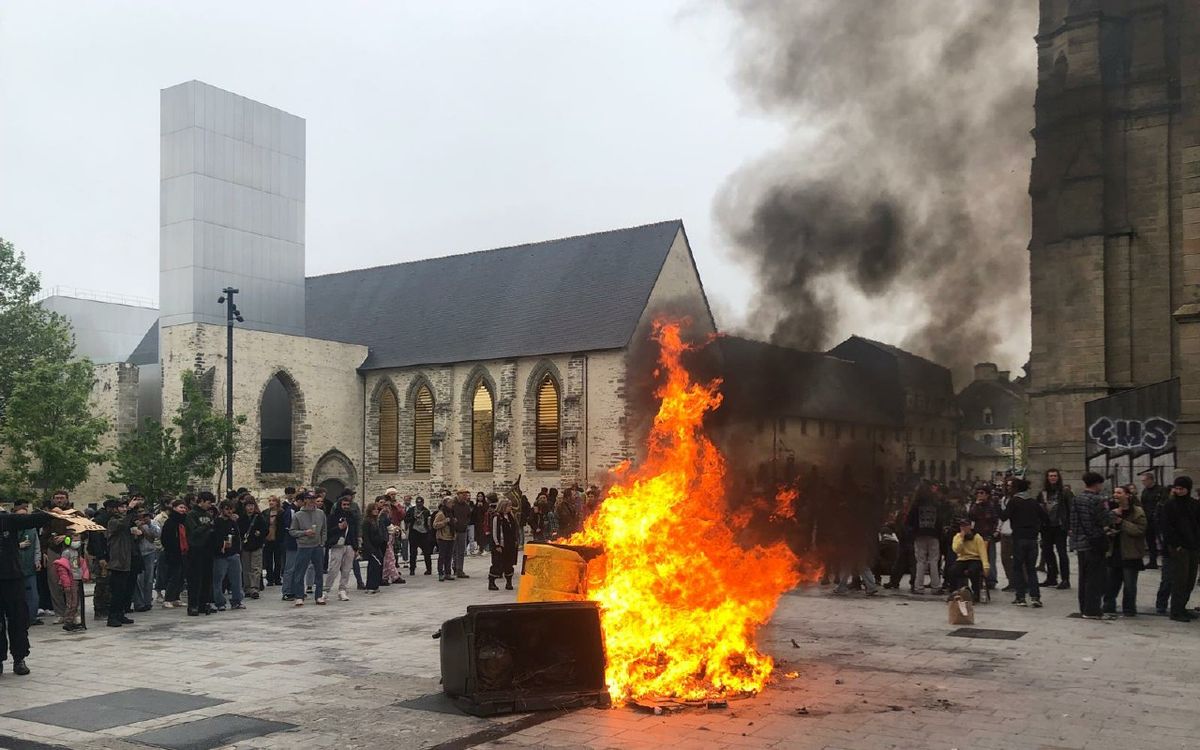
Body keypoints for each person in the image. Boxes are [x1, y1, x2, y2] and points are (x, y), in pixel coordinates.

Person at [0, 503, 57, 675]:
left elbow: (33, 519)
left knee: (18, 619)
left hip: (12, 578)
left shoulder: (6, 520)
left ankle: (19, 658)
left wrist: (52, 513)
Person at [1068, 472, 1114, 620]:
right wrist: (1114, 513)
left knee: (1084, 577)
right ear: (1097, 484)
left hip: (1080, 542)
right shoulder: (1098, 500)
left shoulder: (1077, 499)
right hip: (1094, 542)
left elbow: (1073, 520)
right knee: (1095, 578)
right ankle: (1093, 610)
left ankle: (1084, 607)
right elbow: (1104, 519)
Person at [1000, 477, 1047, 608]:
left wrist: (998, 508)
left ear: (1016, 488)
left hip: (1019, 538)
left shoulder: (1014, 501)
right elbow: (1045, 517)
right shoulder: (1033, 502)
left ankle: (1020, 597)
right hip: (1032, 538)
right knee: (1031, 569)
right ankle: (1035, 597)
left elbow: (1004, 516)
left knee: (1018, 568)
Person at [1158, 475, 1199, 622]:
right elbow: (1166, 527)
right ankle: (1176, 611)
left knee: (1190, 579)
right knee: (1180, 580)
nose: (1179, 491)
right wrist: (1176, 545)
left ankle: (1182, 607)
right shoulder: (1170, 505)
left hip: (1193, 546)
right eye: (1177, 488)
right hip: (1179, 548)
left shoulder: (1194, 504)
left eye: (1182, 488)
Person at [1102, 484, 1146, 617]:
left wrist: (1121, 522)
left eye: (1119, 493)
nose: (1115, 495)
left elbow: (1139, 530)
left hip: (1130, 553)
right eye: (1115, 492)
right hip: (1114, 552)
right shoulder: (1111, 510)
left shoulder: (1137, 512)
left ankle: (1129, 608)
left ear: (1127, 495)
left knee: (1130, 585)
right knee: (1110, 583)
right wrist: (1109, 531)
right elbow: (1104, 527)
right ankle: (1108, 606)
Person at [104, 496, 142, 628]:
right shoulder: (113, 521)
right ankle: (112, 616)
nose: (124, 509)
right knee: (117, 591)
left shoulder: (126, 521)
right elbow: (122, 524)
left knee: (125, 590)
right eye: (122, 507)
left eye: (126, 507)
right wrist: (130, 509)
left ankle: (120, 613)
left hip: (128, 559)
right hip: (118, 561)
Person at [288, 491, 327, 606]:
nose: (311, 501)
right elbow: (292, 531)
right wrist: (304, 533)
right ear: (305, 500)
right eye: (309, 498)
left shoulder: (320, 513)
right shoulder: (298, 515)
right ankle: (299, 596)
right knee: (300, 572)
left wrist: (322, 542)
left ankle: (319, 595)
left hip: (317, 546)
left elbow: (324, 529)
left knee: (319, 572)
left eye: (313, 498)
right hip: (304, 546)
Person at [1038, 469, 1073, 589]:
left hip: (1060, 526)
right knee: (1047, 552)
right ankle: (1051, 577)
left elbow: (1071, 509)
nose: (1053, 478)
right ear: (1047, 478)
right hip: (1046, 527)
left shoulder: (1065, 492)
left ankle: (1065, 579)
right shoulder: (1043, 493)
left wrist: (1070, 526)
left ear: (1058, 478)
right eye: (1050, 476)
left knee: (1062, 552)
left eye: (1055, 476)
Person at [184, 492, 217, 616]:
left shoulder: (208, 515)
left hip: (208, 550)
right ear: (201, 501)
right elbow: (194, 532)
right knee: (195, 579)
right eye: (208, 503)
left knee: (207, 578)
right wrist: (207, 526)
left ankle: (203, 604)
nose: (210, 505)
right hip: (195, 549)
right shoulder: (191, 515)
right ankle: (193, 605)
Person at [906, 488, 944, 594]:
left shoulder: (916, 506)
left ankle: (918, 587)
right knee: (934, 561)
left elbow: (909, 522)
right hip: (934, 535)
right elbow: (940, 522)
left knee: (920, 561)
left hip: (919, 535)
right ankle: (936, 586)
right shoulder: (936, 505)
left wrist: (912, 533)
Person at [11, 502, 42, 627]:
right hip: (13, 569)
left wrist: (37, 560)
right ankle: (17, 618)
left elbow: (37, 547)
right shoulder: (9, 529)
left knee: (33, 595)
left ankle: (31, 617)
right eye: (20, 516)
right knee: (16, 596)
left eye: (25, 515)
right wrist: (18, 545)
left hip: (29, 567)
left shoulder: (32, 529)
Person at [324, 494, 359, 601]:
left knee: (347, 569)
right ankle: (326, 590)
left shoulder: (352, 517)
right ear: (340, 505)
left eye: (348, 504)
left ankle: (342, 590)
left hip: (349, 545)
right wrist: (338, 527)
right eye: (344, 504)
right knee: (333, 569)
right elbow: (328, 532)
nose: (346, 507)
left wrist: (356, 547)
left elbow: (354, 532)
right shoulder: (332, 517)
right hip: (337, 545)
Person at [946, 518, 989, 603]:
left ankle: (975, 593)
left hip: (975, 558)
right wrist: (961, 539)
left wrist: (986, 566)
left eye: (965, 526)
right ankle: (954, 592)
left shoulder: (977, 537)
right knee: (952, 571)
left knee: (973, 571)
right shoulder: (957, 537)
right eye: (962, 526)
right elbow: (956, 549)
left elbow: (983, 552)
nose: (964, 528)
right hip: (962, 559)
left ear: (970, 526)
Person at [968, 486, 1001, 592]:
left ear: (987, 494)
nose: (979, 495)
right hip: (978, 535)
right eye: (978, 493)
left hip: (989, 535)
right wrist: (976, 505)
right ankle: (978, 578)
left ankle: (991, 580)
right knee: (977, 558)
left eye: (982, 493)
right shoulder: (975, 505)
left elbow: (996, 519)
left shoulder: (991, 505)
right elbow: (971, 516)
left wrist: (995, 532)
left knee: (990, 558)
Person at [131, 499, 160, 613]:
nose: (142, 515)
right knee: (139, 579)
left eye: (144, 513)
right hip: (137, 553)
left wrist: (148, 524)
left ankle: (147, 601)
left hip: (150, 552)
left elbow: (157, 535)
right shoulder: (132, 523)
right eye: (139, 512)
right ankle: (139, 603)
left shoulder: (152, 523)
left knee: (149, 579)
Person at [160, 499, 189, 609]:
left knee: (181, 576)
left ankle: (176, 597)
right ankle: (168, 598)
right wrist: (171, 549)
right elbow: (165, 538)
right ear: (174, 508)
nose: (183, 509)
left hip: (184, 552)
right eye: (180, 507)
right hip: (173, 553)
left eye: (184, 507)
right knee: (174, 576)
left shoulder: (185, 521)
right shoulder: (170, 522)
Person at [488, 495, 518, 591]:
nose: (510, 508)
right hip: (500, 544)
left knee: (509, 564)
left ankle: (509, 582)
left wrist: (515, 540)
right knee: (497, 564)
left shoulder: (510, 516)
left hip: (510, 544)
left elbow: (513, 530)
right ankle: (492, 582)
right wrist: (497, 544)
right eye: (509, 506)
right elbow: (494, 531)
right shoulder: (497, 517)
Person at [1139, 471, 1167, 569]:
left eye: (1144, 480)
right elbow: (1143, 504)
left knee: (1162, 541)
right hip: (1148, 519)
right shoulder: (1145, 491)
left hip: (1159, 520)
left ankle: (1165, 561)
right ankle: (1152, 561)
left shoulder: (1161, 490)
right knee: (1150, 541)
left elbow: (1164, 503)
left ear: (1150, 480)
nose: (1143, 482)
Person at [361, 503, 388, 594]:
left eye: (377, 509)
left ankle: (375, 585)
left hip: (377, 546)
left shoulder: (376, 521)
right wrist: (369, 548)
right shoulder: (367, 522)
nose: (376, 511)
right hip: (371, 547)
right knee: (373, 566)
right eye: (374, 509)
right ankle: (370, 586)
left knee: (378, 565)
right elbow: (366, 537)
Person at [279, 487, 299, 601]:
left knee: (297, 568)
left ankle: (295, 590)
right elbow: (288, 527)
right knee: (290, 568)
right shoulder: (290, 510)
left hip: (298, 543)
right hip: (291, 543)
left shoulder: (296, 510)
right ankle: (287, 591)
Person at [406, 496, 433, 576]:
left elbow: (429, 522)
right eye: (418, 503)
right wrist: (413, 518)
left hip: (424, 533)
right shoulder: (411, 510)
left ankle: (429, 569)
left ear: (423, 503)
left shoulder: (426, 511)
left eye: (420, 503)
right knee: (413, 552)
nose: (419, 505)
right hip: (414, 532)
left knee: (427, 552)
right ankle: (412, 569)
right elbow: (406, 519)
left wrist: (429, 532)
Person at [433, 497, 456, 582]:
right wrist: (444, 522)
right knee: (442, 556)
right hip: (442, 537)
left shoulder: (451, 512)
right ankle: (440, 573)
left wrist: (454, 521)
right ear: (445, 503)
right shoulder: (441, 513)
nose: (452, 505)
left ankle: (448, 573)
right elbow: (435, 525)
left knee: (449, 556)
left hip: (451, 537)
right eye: (450, 503)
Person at [263, 495, 284, 586]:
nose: (271, 502)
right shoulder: (265, 512)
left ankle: (277, 578)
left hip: (278, 538)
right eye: (270, 500)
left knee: (278, 559)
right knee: (268, 559)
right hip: (268, 538)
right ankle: (270, 578)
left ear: (277, 502)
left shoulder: (281, 512)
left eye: (273, 501)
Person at [452, 490, 472, 579]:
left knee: (461, 551)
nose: (465, 497)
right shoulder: (453, 505)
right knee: (453, 550)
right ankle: (454, 567)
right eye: (463, 495)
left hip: (462, 530)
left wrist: (465, 523)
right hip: (453, 530)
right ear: (458, 495)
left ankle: (459, 569)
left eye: (466, 495)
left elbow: (468, 516)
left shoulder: (466, 506)